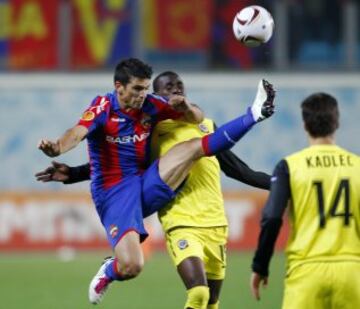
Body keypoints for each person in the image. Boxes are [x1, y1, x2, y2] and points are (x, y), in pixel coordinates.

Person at [38, 58, 275, 305]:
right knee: (132, 266)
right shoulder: (103, 108)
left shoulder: (152, 106)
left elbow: (197, 117)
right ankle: (111, 269)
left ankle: (254, 114)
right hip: (114, 194)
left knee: (191, 148)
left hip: (146, 181)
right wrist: (57, 148)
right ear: (119, 87)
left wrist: (185, 107)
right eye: (137, 89)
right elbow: (77, 133)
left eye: (145, 88)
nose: (143, 95)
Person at [250, 93, 360, 309]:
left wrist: (260, 266)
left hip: (306, 271)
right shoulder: (357, 166)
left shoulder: (289, 166)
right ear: (336, 122)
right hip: (352, 273)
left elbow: (272, 218)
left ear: (304, 125)